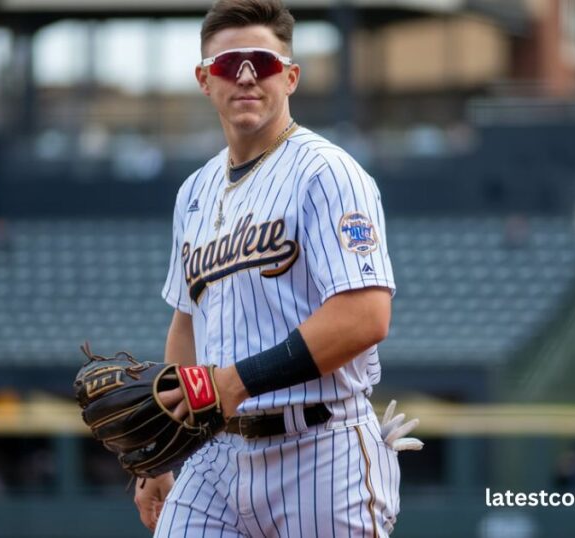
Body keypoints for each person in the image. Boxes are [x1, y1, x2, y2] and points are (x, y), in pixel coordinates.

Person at [139, 1, 411, 535]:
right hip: (215, 456)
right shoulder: (193, 193)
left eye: (261, 63)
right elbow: (187, 323)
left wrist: (236, 382)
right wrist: (160, 452)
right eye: (227, 64)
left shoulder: (328, 173)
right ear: (203, 79)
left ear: (290, 77)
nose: (244, 76)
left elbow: (365, 317)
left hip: (319, 447)